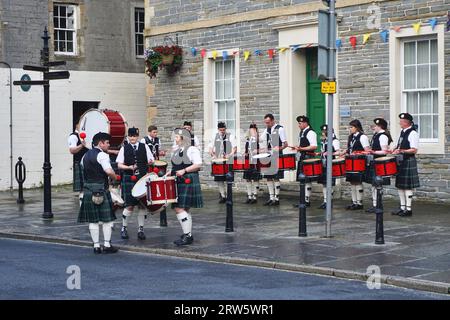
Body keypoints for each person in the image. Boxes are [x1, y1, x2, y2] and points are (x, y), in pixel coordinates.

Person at [78, 132, 119, 254]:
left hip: (89, 190)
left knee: (93, 220)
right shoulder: (102, 155)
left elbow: (83, 170)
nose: (108, 145)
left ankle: (96, 246)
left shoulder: (84, 156)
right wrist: (115, 176)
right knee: (107, 220)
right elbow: (108, 171)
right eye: (107, 143)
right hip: (102, 189)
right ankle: (106, 245)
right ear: (100, 143)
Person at [166, 128, 203, 246]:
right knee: (185, 208)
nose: (175, 139)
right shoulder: (178, 150)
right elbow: (177, 165)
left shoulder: (192, 149)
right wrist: (170, 172)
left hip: (188, 179)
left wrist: (184, 170)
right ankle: (188, 234)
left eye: (177, 137)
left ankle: (187, 235)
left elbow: (198, 164)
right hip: (179, 179)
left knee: (178, 208)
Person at [117, 127, 154, 240]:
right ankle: (124, 228)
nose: (132, 138)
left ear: (137, 136)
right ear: (128, 137)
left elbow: (151, 159)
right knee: (129, 205)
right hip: (129, 178)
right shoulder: (124, 148)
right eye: (130, 136)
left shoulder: (144, 146)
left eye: (134, 136)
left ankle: (141, 229)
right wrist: (128, 167)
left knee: (142, 205)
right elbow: (119, 164)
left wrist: (150, 162)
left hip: (142, 178)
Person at [391, 113, 420, 217]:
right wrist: (394, 148)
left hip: (408, 160)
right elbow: (399, 145)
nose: (400, 122)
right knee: (400, 186)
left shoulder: (413, 133)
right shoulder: (402, 132)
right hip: (400, 161)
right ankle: (402, 207)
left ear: (407, 122)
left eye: (401, 121)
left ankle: (408, 209)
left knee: (407, 186)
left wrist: (401, 150)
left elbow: (414, 150)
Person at [364, 118, 393, 213]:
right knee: (374, 184)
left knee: (377, 185)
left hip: (379, 162)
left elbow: (384, 151)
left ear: (379, 126)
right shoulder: (376, 135)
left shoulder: (383, 136)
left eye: (375, 126)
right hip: (375, 161)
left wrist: (373, 151)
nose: (374, 127)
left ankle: (378, 205)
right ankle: (375, 204)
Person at [260, 114, 288, 206]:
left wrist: (279, 148)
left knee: (276, 177)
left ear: (273, 121)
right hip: (268, 156)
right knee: (268, 177)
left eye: (268, 122)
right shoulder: (267, 130)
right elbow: (260, 139)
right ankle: (271, 197)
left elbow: (285, 144)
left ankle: (277, 198)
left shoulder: (280, 129)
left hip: (277, 155)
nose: (267, 124)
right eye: (265, 123)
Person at [345, 119, 370, 210]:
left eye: (351, 127)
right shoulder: (351, 137)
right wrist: (345, 152)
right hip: (351, 162)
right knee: (352, 182)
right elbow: (349, 149)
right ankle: (354, 202)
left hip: (358, 162)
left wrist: (358, 153)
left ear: (357, 127)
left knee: (358, 181)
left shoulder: (363, 137)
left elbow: (367, 151)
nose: (350, 129)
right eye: (350, 127)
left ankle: (359, 203)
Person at [208, 122, 237, 203]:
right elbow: (210, 147)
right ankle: (223, 196)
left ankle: (229, 196)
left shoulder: (230, 136)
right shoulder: (214, 136)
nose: (222, 131)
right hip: (218, 160)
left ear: (225, 129)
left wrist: (230, 154)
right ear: (218, 129)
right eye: (220, 130)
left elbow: (235, 148)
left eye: (223, 130)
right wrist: (212, 153)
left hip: (228, 160)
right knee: (219, 179)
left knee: (228, 179)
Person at [292, 116, 317, 208]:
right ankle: (303, 200)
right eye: (299, 123)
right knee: (303, 179)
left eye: (300, 123)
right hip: (302, 156)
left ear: (306, 123)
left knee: (306, 179)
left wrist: (301, 148)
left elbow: (314, 146)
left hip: (308, 157)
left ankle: (306, 200)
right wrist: (297, 149)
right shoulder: (302, 133)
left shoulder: (311, 132)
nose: (299, 125)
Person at [317, 124, 340, 209]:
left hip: (330, 163)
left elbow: (338, 152)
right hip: (323, 163)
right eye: (323, 131)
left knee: (329, 183)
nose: (323, 133)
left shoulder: (334, 141)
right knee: (324, 183)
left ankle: (329, 201)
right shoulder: (324, 141)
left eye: (325, 131)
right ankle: (325, 201)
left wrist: (330, 153)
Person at [68, 122, 88, 199]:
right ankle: (82, 208)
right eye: (81, 123)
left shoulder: (85, 135)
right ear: (76, 125)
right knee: (82, 189)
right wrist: (82, 145)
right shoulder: (73, 136)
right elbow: (72, 150)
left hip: (87, 163)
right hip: (79, 163)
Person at [243, 124, 261, 204]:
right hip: (248, 160)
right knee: (248, 178)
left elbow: (262, 149)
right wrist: (245, 153)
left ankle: (255, 196)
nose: (252, 131)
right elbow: (246, 150)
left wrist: (257, 151)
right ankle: (249, 196)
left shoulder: (258, 139)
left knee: (255, 178)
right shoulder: (248, 139)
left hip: (256, 160)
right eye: (251, 130)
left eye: (254, 130)